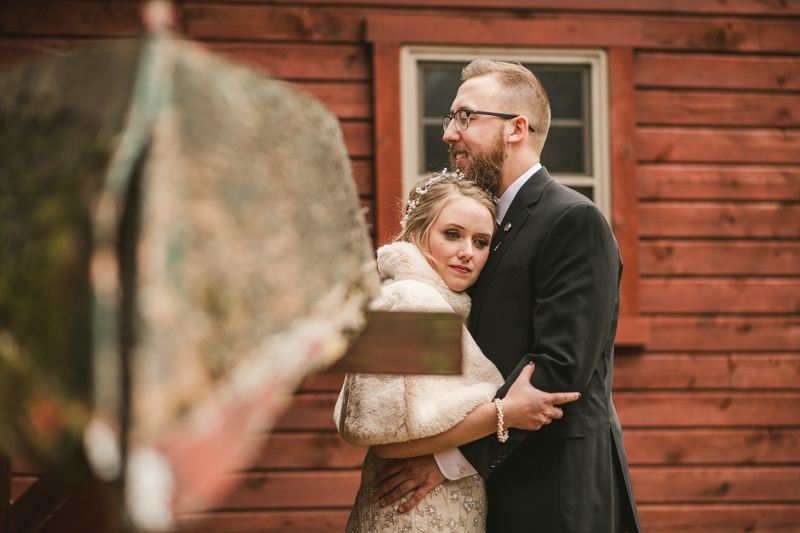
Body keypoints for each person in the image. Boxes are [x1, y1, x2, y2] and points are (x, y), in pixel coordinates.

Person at [371, 60, 642, 532]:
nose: (449, 134)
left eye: (466, 117)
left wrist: (445, 461)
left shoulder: (572, 220)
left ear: (517, 128)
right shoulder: (476, 230)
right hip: (467, 498)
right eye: (450, 118)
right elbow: (421, 374)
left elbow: (559, 371)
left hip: (554, 491)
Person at [334, 171, 580, 532]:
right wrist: (505, 412)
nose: (468, 252)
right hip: (413, 514)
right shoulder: (412, 301)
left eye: (481, 242)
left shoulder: (441, 304)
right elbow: (383, 437)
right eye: (452, 234)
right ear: (417, 232)